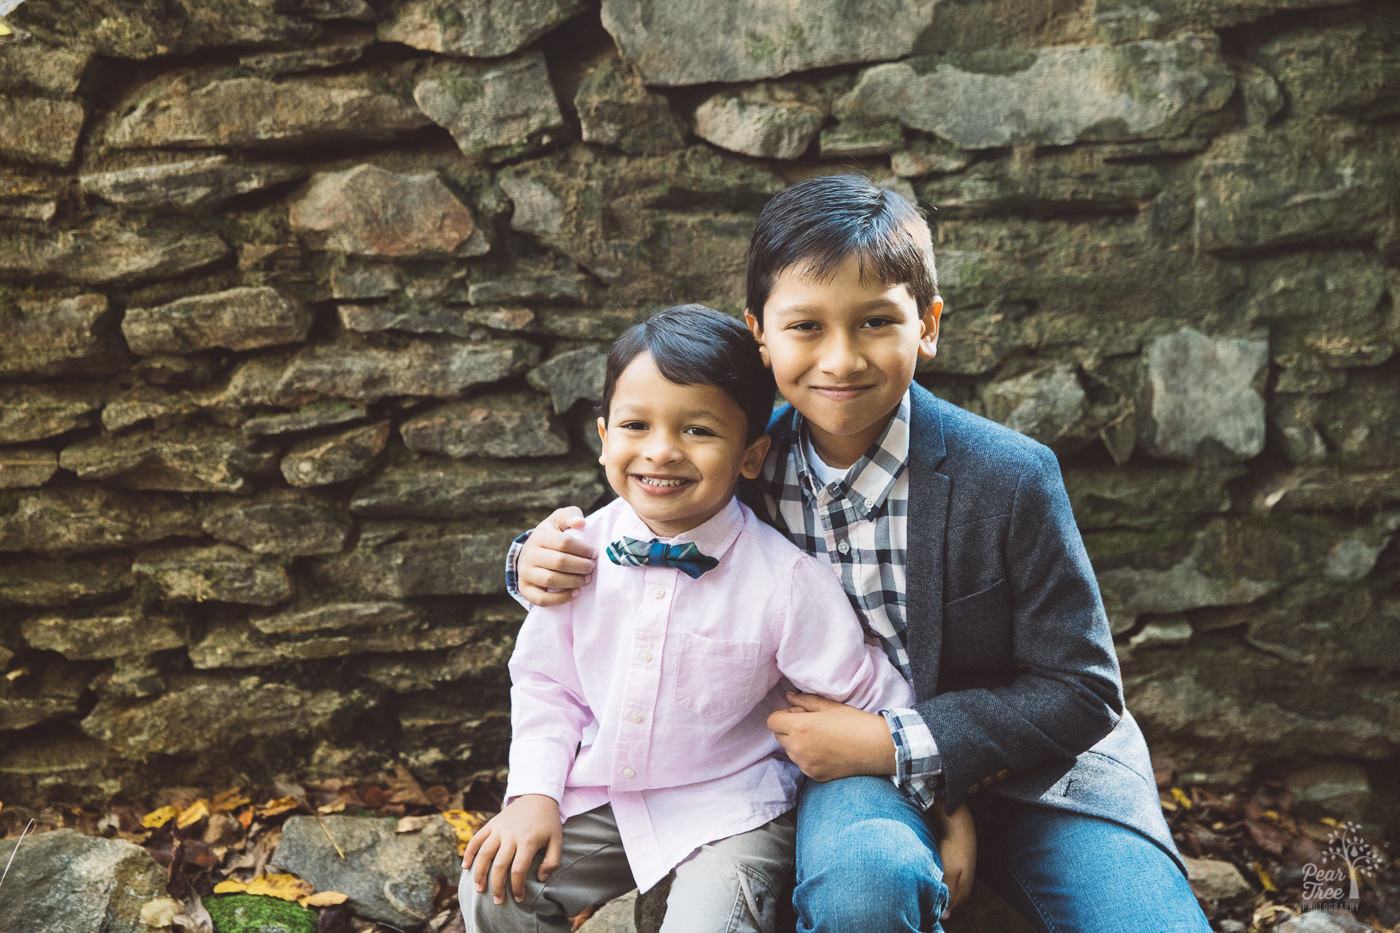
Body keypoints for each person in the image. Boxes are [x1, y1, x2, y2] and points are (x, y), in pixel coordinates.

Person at [507, 176, 1212, 932]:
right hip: (849, 770)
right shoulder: (736, 453)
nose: (839, 360)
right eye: (805, 326)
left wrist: (915, 754)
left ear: (928, 324)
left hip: (1044, 773)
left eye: (876, 321)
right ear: (760, 335)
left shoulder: (1010, 477)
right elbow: (636, 520)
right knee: (863, 888)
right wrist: (527, 560)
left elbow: (1081, 688)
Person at [463, 304, 976, 933]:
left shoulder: (784, 582)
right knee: (493, 889)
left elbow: (873, 692)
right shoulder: (575, 555)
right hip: (610, 800)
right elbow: (547, 684)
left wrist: (948, 804)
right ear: (603, 440)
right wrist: (534, 795)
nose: (661, 452)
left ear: (752, 454)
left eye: (698, 431)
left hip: (734, 810)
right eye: (635, 425)